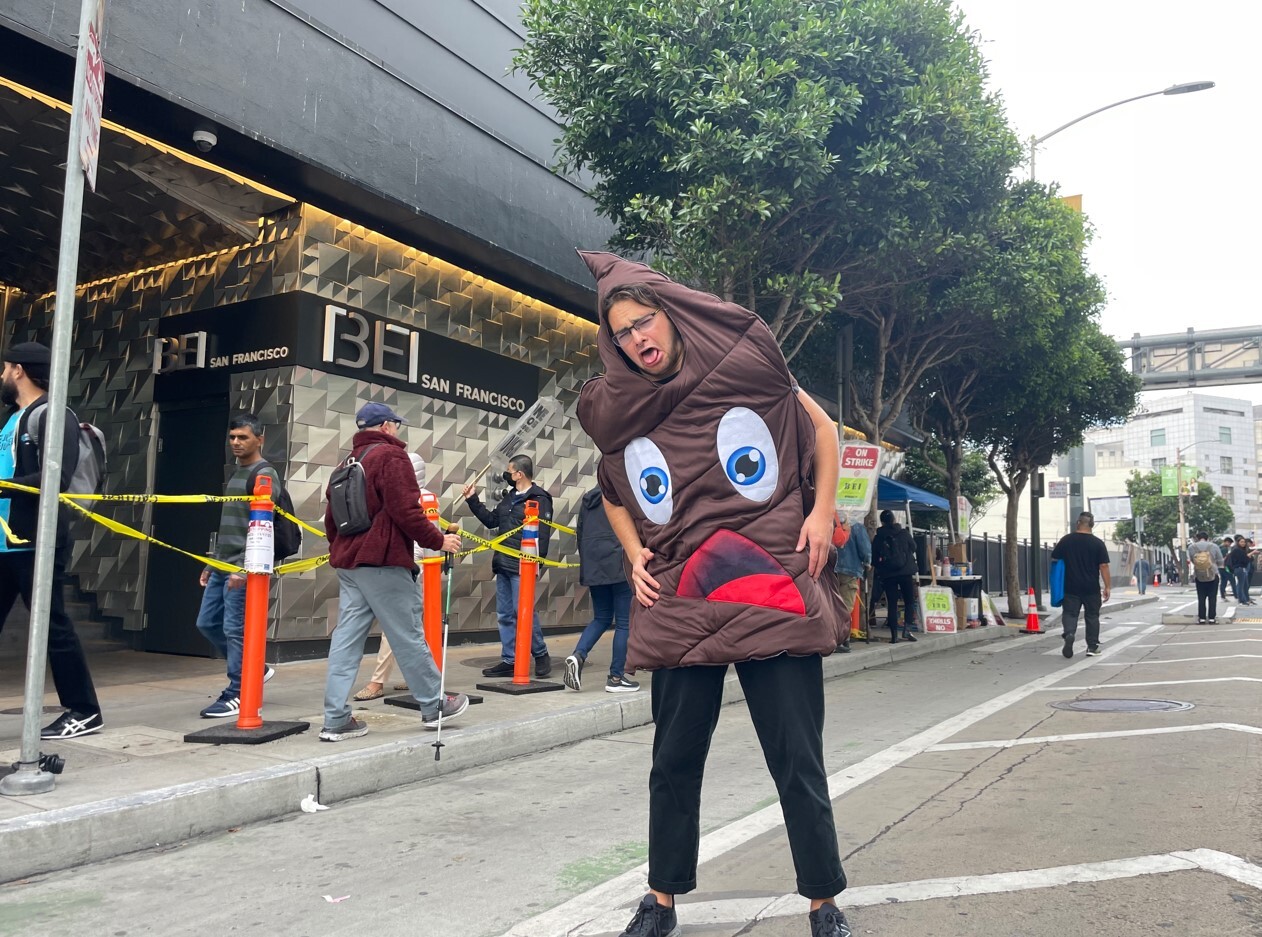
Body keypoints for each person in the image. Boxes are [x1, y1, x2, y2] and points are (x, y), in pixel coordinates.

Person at [575, 253, 852, 937]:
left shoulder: (746, 367)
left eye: (645, 321)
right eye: (623, 332)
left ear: (670, 315)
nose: (639, 337)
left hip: (769, 588)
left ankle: (823, 901)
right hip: (682, 601)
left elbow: (820, 428)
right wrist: (635, 549)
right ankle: (660, 898)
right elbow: (613, 492)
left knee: (796, 754)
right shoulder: (624, 408)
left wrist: (821, 512)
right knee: (673, 758)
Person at [320, 403, 468, 741]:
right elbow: (407, 511)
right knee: (407, 635)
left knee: (345, 640)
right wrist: (439, 540)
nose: (398, 430)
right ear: (386, 425)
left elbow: (332, 522)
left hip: (350, 565)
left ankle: (335, 718)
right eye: (396, 425)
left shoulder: (345, 463)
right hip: (383, 562)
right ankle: (434, 705)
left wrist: (343, 551)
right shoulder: (391, 457)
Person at [0, 342, 104, 739]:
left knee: (53, 624)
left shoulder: (53, 415)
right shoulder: (15, 417)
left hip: (36, 540)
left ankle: (84, 710)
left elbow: (53, 481)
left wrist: (2, 487)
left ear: (19, 370)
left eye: (6, 368)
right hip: (6, 540)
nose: (3, 376)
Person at [193, 414, 280, 718]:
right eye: (232, 437)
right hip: (221, 564)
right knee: (206, 623)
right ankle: (255, 668)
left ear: (260, 438)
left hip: (242, 569)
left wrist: (243, 569)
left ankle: (239, 690)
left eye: (243, 437)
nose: (236, 443)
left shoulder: (263, 473)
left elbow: (262, 527)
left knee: (234, 629)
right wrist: (212, 560)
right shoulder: (236, 474)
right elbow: (230, 524)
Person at [461, 454, 554, 678]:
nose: (507, 476)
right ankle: (510, 659)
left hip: (523, 564)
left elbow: (542, 534)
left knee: (523, 611)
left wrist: (535, 564)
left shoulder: (540, 498)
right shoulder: (510, 498)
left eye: (510, 472)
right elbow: (493, 521)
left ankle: (540, 653)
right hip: (503, 562)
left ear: (519, 474)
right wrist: (473, 500)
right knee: (505, 613)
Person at [353, 452, 433, 701]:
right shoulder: (408, 494)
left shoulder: (416, 497)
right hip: (406, 563)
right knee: (410, 625)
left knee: (393, 625)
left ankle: (378, 681)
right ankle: (417, 676)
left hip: (409, 565)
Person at [562, 487, 638, 693]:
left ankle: (578, 655)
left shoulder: (588, 500)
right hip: (619, 565)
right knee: (624, 623)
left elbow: (580, 533)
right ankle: (616, 677)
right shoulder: (624, 494)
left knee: (601, 618)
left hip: (594, 567)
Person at [1051, 512, 1111, 658]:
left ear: (1078, 523)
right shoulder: (1098, 543)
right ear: (1091, 525)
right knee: (1092, 616)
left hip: (1070, 586)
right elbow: (1103, 566)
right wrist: (1107, 586)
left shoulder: (1066, 540)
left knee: (1070, 613)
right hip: (1091, 587)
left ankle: (1070, 633)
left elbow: (1054, 558)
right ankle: (1092, 647)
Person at [871, 510, 918, 644]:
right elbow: (914, 547)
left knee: (892, 604)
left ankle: (894, 636)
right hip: (905, 572)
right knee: (909, 601)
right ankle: (907, 630)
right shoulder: (903, 533)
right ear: (893, 519)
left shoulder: (879, 537)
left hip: (888, 574)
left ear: (882, 522)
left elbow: (874, 557)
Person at [832, 515, 871, 652]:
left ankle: (833, 637)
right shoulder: (857, 526)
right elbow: (865, 549)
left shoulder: (832, 521)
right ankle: (842, 639)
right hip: (850, 570)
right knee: (846, 606)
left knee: (832, 605)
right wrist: (867, 562)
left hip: (830, 568)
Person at [1187, 531, 1223, 623]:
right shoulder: (1214, 546)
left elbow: (1192, 560)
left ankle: (1202, 618)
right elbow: (1220, 561)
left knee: (1201, 597)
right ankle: (1212, 618)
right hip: (1213, 574)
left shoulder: (1192, 547)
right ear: (1207, 538)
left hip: (1199, 575)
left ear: (1197, 538)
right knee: (1212, 597)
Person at [1227, 536, 1254, 607]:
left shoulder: (1242, 550)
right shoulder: (1237, 550)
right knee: (1241, 585)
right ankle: (1241, 600)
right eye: (1241, 542)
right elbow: (1244, 559)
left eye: (1244, 542)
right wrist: (1250, 554)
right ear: (1237, 542)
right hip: (1239, 568)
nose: (1243, 543)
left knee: (1245, 585)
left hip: (1242, 568)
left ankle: (1245, 599)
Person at [1219, 537, 1235, 602]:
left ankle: (1223, 595)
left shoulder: (1219, 547)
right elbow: (1224, 558)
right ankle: (1237, 595)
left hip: (1220, 567)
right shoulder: (1224, 549)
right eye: (1229, 543)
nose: (1229, 545)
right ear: (1226, 542)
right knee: (1232, 580)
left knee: (1223, 581)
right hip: (1225, 567)